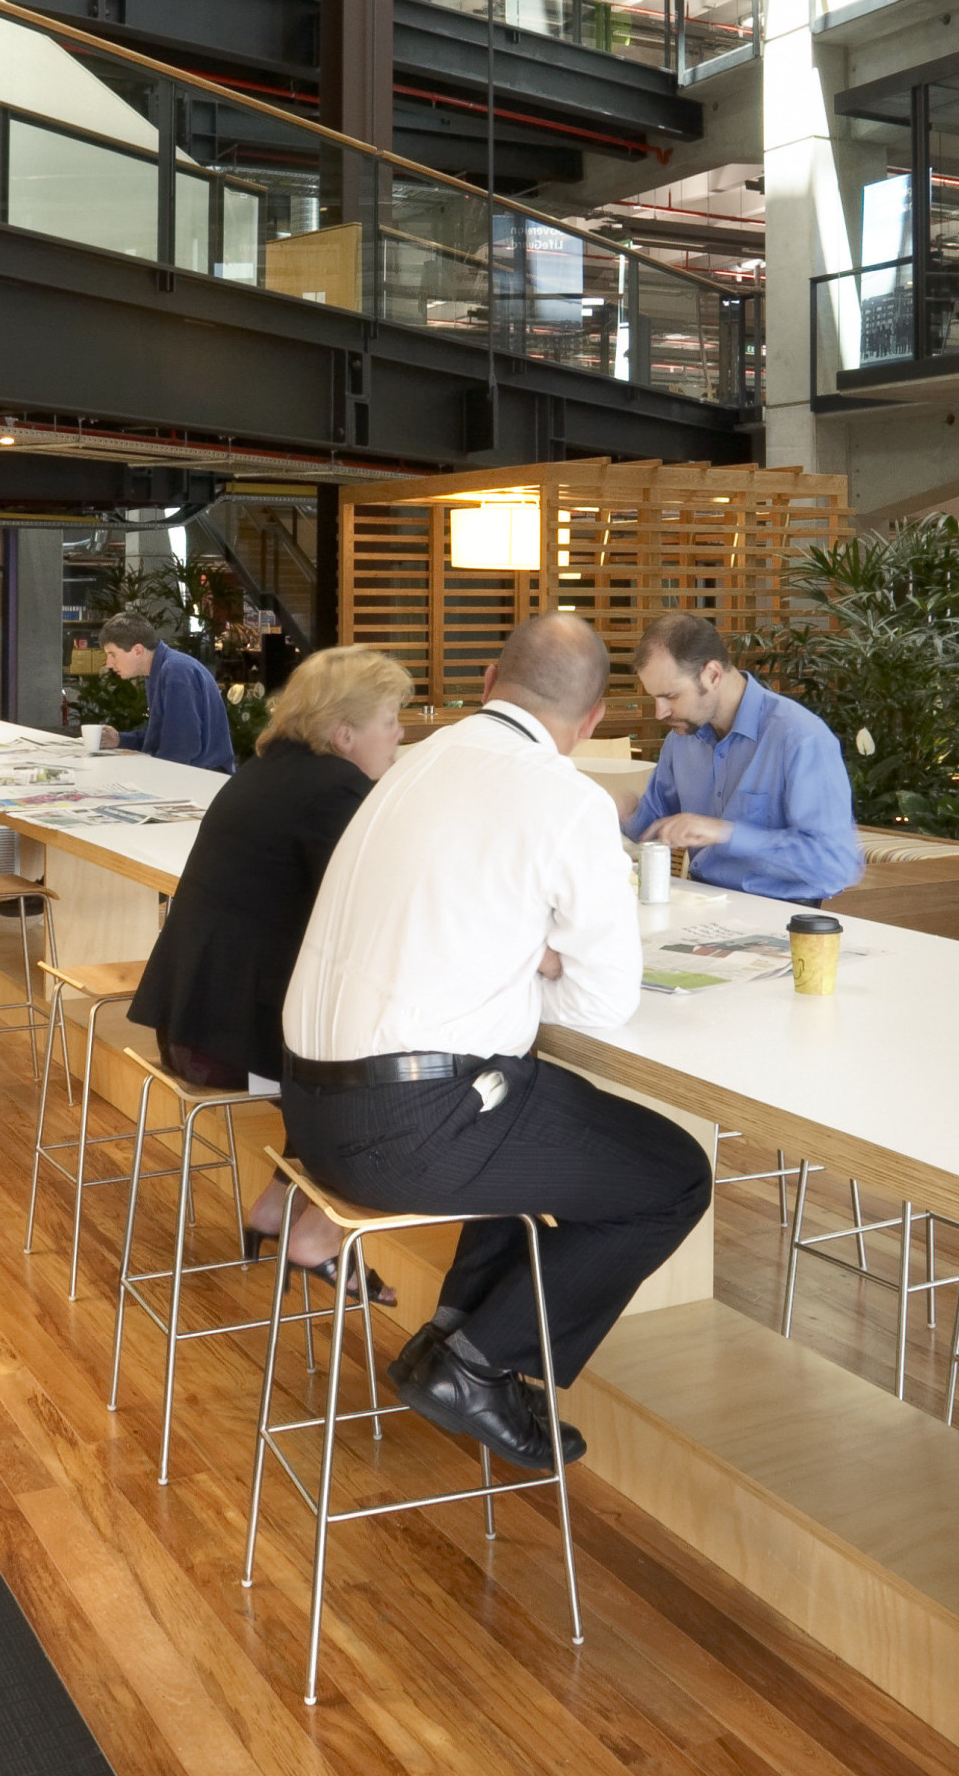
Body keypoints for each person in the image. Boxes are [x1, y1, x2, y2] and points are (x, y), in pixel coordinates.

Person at [280, 610, 713, 1474]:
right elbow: (600, 999)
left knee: (530, 1092)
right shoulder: (566, 799)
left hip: (306, 1109)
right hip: (403, 1129)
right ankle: (476, 1364)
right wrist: (540, 958)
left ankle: (453, 1336)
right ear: (591, 724)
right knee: (672, 1178)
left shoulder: (411, 764)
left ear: (486, 683)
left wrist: (517, 953)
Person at [132, 644, 411, 1292]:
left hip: (190, 1021)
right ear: (345, 733)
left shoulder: (269, 770)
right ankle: (320, 1233)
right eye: (390, 719)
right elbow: (376, 909)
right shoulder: (333, 789)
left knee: (350, 1037)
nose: (400, 734)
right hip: (225, 1041)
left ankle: (282, 1205)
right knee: (395, 1068)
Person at [616, 611, 862, 905]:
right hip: (701, 908)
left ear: (712, 675)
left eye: (670, 696)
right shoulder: (681, 741)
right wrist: (628, 809)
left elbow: (836, 864)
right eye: (654, 698)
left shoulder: (800, 738)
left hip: (780, 919)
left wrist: (725, 832)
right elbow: (655, 832)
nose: (660, 712)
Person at [89, 609, 235, 772]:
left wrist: (150, 777)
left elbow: (182, 747)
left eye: (113, 654)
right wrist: (120, 739)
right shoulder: (163, 669)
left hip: (200, 777)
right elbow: (167, 736)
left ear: (138, 650)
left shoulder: (176, 671)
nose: (108, 663)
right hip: (193, 772)